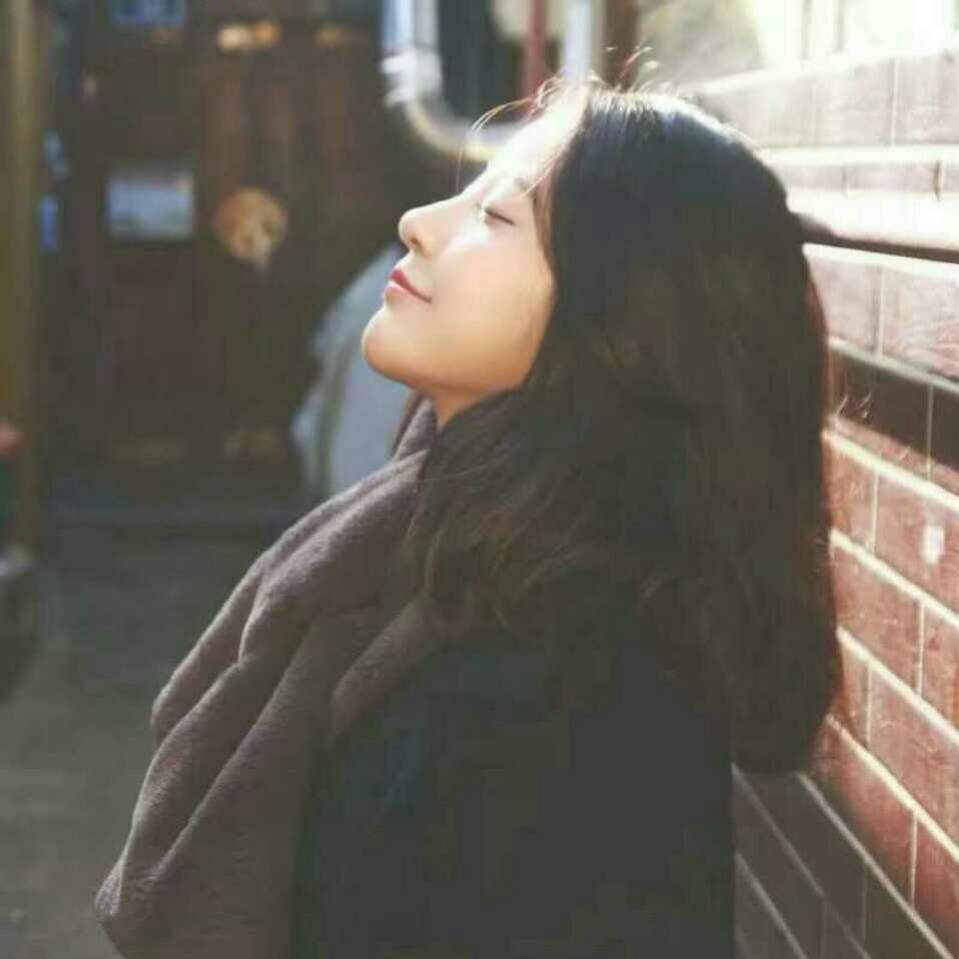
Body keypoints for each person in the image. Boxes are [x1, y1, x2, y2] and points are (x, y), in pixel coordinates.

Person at [290, 77, 846, 956]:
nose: (419, 222)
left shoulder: (570, 706)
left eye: (495, 215)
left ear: (619, 322)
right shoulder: (464, 568)